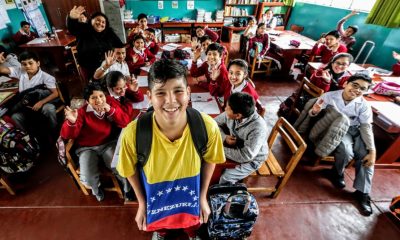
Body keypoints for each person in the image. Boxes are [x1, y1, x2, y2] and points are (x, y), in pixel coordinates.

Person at [116, 59, 225, 240]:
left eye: (178, 91)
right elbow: (129, 170)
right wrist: (142, 204)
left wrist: (202, 196)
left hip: (191, 198)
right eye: (161, 93)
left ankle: (192, 233)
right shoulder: (133, 134)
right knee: (162, 228)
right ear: (149, 96)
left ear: (188, 93)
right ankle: (162, 233)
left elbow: (210, 160)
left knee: (193, 225)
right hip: (156, 202)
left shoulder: (206, 127)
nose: (171, 101)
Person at [309, 74, 375, 216]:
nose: (357, 90)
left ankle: (363, 193)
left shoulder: (363, 105)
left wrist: (372, 150)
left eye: (362, 89)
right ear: (346, 83)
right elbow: (315, 113)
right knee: (345, 150)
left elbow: (366, 127)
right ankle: (337, 173)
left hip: (357, 130)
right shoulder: (330, 96)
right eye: (355, 85)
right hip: (339, 129)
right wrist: (314, 111)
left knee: (366, 156)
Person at [60, 81, 128, 201]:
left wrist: (111, 110)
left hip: (108, 143)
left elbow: (124, 121)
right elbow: (67, 135)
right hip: (87, 148)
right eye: (93, 98)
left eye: (101, 96)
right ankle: (97, 190)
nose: (99, 101)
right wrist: (71, 122)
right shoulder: (81, 113)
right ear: (87, 101)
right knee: (88, 176)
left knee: (119, 166)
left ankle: (127, 189)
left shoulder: (110, 102)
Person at [0, 51, 59, 137]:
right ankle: (28, 138)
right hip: (26, 104)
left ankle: (55, 133)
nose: (27, 66)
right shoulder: (21, 71)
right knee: (15, 117)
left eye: (30, 63)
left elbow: (55, 93)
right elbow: (2, 70)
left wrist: (41, 102)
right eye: (24, 64)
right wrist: (1, 63)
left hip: (41, 102)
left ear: (38, 63)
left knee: (49, 109)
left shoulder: (46, 77)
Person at [215, 92, 268, 184]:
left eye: (228, 108)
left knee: (226, 177)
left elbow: (246, 156)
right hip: (238, 148)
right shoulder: (233, 113)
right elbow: (214, 123)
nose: (225, 108)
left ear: (238, 115)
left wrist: (219, 149)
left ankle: (223, 195)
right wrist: (224, 137)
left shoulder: (258, 128)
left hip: (253, 159)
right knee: (213, 165)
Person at [67, 6, 123, 81]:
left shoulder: (109, 32)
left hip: (107, 67)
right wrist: (71, 18)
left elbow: (120, 45)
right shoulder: (84, 28)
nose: (100, 23)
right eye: (98, 20)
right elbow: (72, 28)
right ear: (91, 20)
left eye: (103, 22)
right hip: (89, 68)